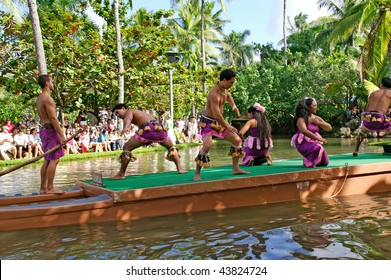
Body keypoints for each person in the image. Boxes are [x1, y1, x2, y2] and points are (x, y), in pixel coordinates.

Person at [194, 69, 249, 181]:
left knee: (237, 141)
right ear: (224, 80)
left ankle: (235, 169)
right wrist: (228, 126)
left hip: (219, 123)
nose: (232, 84)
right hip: (208, 123)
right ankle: (197, 173)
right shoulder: (213, 94)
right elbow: (217, 115)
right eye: (231, 82)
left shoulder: (224, 90)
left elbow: (228, 96)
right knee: (207, 145)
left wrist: (233, 106)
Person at [110, 103, 187, 180]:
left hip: (148, 128)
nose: (117, 115)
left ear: (123, 108)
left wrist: (125, 127)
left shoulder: (129, 111)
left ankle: (121, 174)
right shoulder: (140, 113)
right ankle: (180, 168)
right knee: (171, 147)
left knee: (126, 147)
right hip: (159, 128)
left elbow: (128, 119)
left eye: (117, 112)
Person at [36, 74, 67, 194]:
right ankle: (50, 188)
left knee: (48, 159)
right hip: (50, 130)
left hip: (44, 130)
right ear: (47, 83)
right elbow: (53, 119)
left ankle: (43, 188)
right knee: (54, 159)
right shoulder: (47, 98)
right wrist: (62, 135)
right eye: (52, 81)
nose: (53, 84)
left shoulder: (39, 98)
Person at [353, 77, 391, 156]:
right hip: (381, 119)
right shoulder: (390, 93)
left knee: (362, 132)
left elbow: (366, 109)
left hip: (368, 118)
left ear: (381, 84)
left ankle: (356, 150)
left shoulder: (373, 93)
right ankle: (384, 132)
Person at [291, 98, 332, 168]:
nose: (316, 107)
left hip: (313, 142)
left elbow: (329, 127)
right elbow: (304, 131)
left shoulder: (316, 118)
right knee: (318, 148)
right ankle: (308, 162)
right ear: (308, 107)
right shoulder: (301, 119)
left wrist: (319, 122)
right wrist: (318, 138)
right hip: (302, 143)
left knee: (324, 162)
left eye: (316, 105)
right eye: (314, 105)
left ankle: (308, 158)